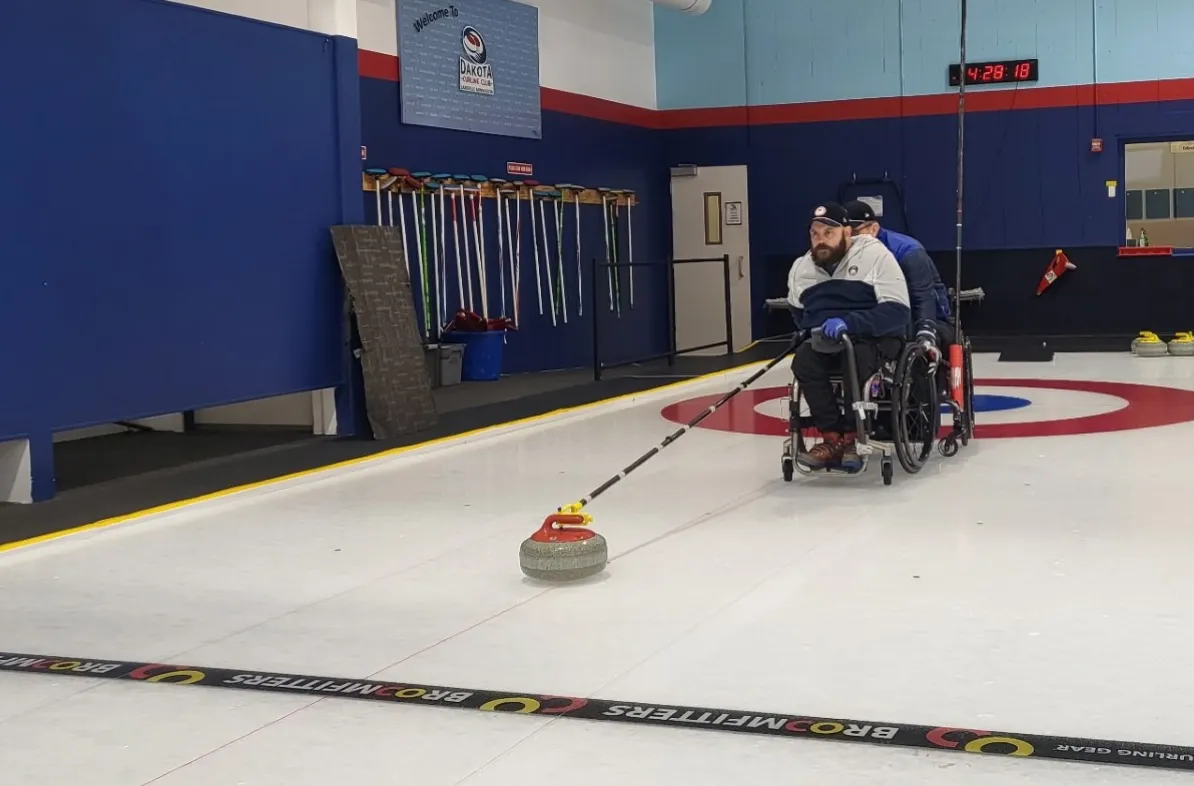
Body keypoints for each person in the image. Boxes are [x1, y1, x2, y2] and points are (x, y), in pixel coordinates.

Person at [787, 203, 911, 470]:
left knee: (856, 357)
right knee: (804, 359)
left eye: (828, 233)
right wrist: (810, 330)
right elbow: (798, 312)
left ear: (846, 232)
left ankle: (854, 436)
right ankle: (832, 437)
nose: (821, 240)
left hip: (873, 337)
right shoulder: (801, 268)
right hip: (827, 340)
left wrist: (851, 323)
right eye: (815, 234)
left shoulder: (875, 255)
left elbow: (898, 312)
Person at [843, 200, 953, 349]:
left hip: (925, 316)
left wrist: (926, 332)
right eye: (845, 234)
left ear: (874, 229)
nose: (850, 239)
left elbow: (922, 297)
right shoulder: (847, 253)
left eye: (855, 233)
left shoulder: (909, 252)